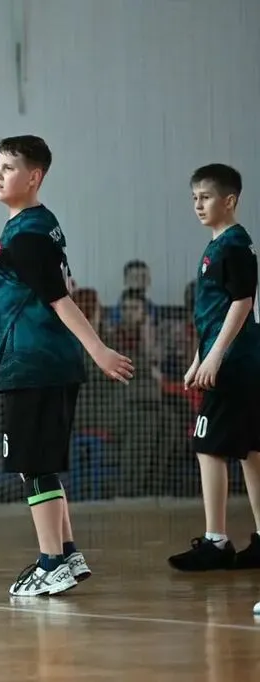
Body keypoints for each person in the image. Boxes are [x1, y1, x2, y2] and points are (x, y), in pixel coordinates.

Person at [0, 135, 134, 596]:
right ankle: (67, 553)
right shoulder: (40, 224)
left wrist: (99, 350)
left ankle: (50, 562)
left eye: (8, 168)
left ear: (34, 177)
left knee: (34, 465)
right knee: (41, 465)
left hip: (34, 362)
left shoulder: (28, 235)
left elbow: (60, 299)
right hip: (44, 362)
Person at [169, 163, 260, 571]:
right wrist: (199, 358)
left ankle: (216, 542)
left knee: (208, 446)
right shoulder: (220, 244)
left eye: (205, 197)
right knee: (252, 451)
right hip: (237, 359)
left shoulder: (235, 245)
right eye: (194, 198)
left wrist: (216, 355)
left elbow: (242, 302)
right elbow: (214, 314)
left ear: (230, 200)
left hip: (235, 363)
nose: (198, 205)